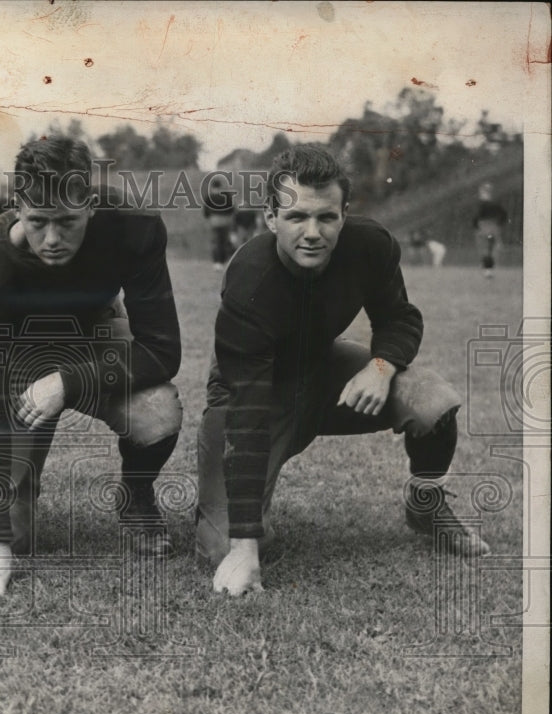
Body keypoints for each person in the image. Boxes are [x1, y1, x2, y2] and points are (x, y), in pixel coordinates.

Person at [196, 144, 490, 597]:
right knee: (222, 548)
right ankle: (230, 527)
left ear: (344, 213)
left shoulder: (370, 245)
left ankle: (425, 504)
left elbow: (400, 318)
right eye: (296, 218)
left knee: (432, 400)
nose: (313, 232)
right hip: (255, 391)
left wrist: (381, 364)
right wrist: (244, 544)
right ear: (270, 218)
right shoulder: (250, 279)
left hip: (322, 367)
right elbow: (248, 410)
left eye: (326, 218)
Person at [0, 135, 183, 595]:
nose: (53, 239)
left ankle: (135, 494)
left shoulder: (134, 228)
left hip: (94, 339)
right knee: (15, 538)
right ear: (17, 207)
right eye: (38, 221)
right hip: (16, 356)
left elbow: (161, 350)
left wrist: (67, 383)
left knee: (157, 413)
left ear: (91, 205)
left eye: (68, 222)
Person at [472, 182, 509, 279]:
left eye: (482, 192)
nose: (481, 194)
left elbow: (476, 218)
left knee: (485, 250)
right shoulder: (496, 204)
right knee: (491, 249)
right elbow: (504, 215)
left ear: (485, 192)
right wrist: (498, 225)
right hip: (493, 228)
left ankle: (487, 270)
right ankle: (488, 269)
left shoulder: (481, 204)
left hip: (484, 228)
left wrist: (476, 227)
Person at [203, 178, 236, 271]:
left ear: (213, 187)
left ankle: (217, 262)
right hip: (225, 221)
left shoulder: (209, 197)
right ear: (220, 187)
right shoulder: (226, 196)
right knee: (224, 241)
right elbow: (231, 209)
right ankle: (223, 261)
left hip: (214, 221)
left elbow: (205, 212)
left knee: (216, 242)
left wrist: (209, 217)